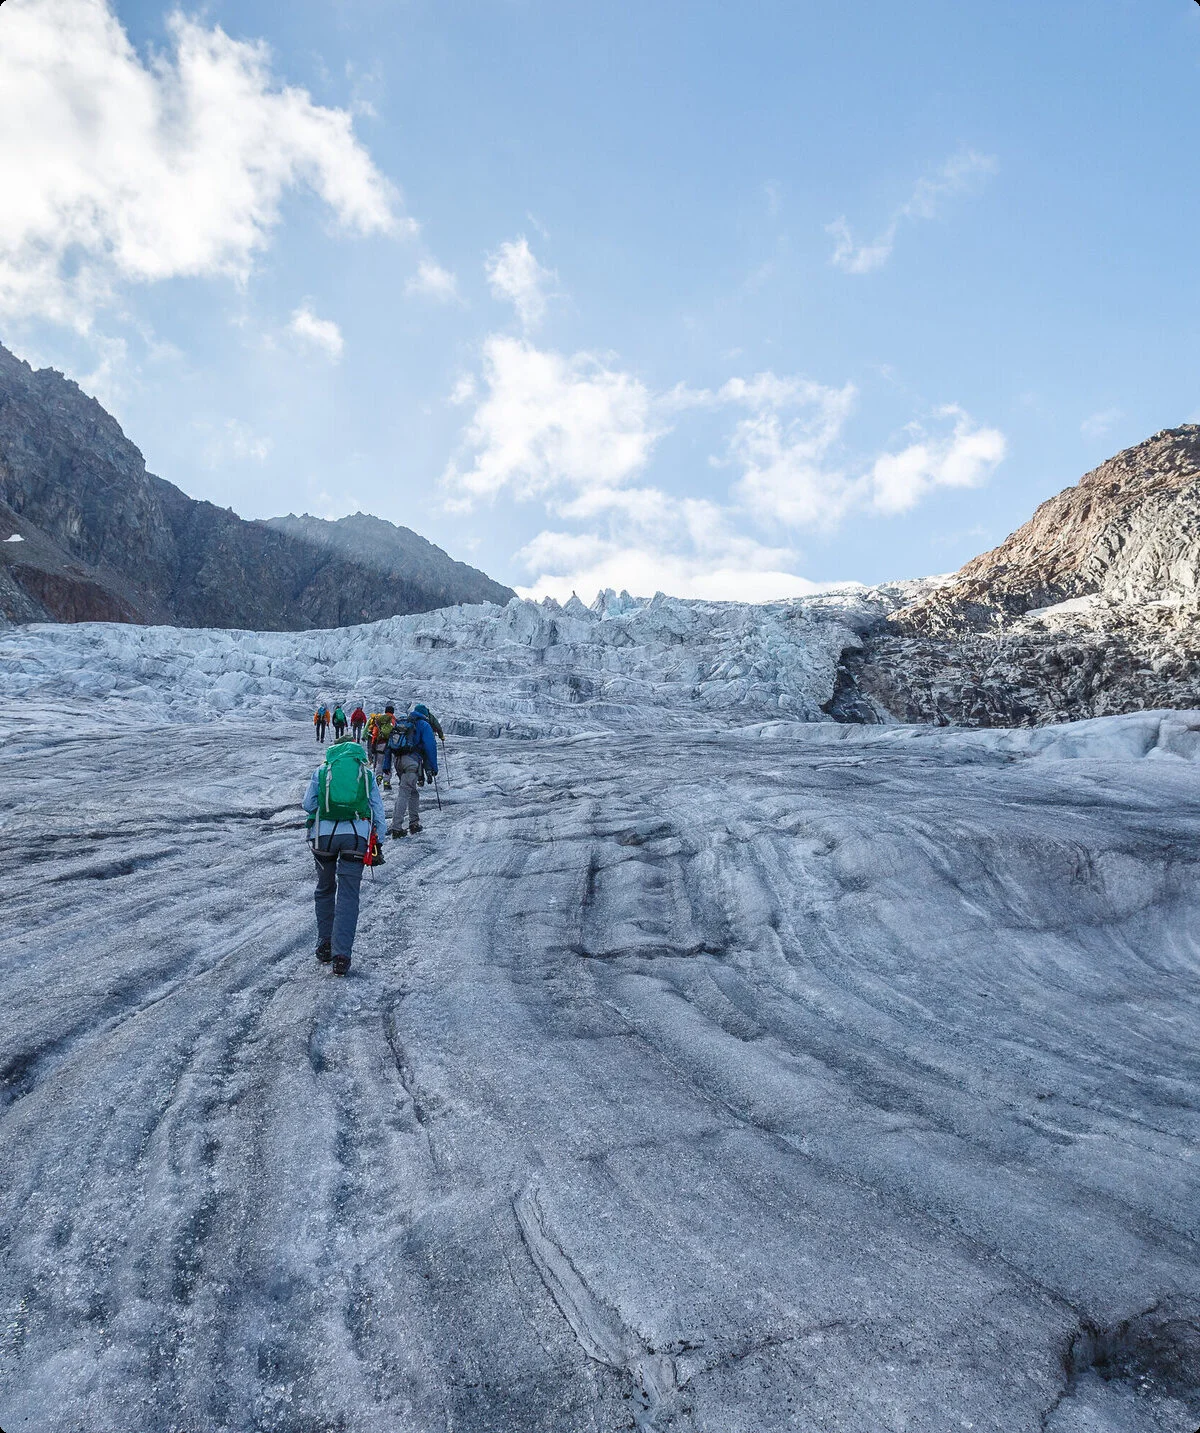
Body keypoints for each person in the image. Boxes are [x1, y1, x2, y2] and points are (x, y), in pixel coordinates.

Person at [302, 736, 387, 976]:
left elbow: (308, 804)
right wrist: (379, 840)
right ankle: (341, 956)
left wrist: (328, 811)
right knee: (348, 895)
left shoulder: (322, 771)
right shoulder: (366, 774)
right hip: (355, 837)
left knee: (324, 889)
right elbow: (377, 810)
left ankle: (325, 943)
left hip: (323, 838)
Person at [389, 703, 439, 837]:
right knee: (404, 792)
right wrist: (433, 767)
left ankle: (414, 823)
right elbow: (430, 746)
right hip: (411, 762)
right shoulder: (423, 725)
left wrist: (386, 765)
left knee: (412, 792)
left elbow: (390, 743)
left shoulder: (403, 723)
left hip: (398, 760)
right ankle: (396, 827)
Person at [366, 705, 398, 788]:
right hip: (391, 745)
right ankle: (386, 781)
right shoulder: (394, 720)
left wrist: (373, 744)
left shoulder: (379, 720)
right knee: (388, 763)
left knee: (379, 762)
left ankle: (378, 777)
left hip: (380, 744)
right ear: (392, 712)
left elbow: (375, 733)